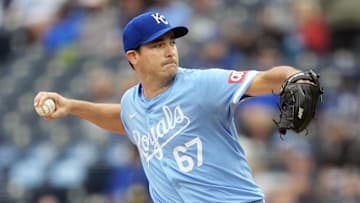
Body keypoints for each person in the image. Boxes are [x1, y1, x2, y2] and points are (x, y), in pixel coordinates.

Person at [34, 11, 306, 203]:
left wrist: (297, 79)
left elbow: (266, 79)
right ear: (133, 56)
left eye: (172, 43)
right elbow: (124, 118)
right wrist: (72, 106)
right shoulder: (132, 103)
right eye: (157, 45)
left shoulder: (202, 84)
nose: (169, 50)